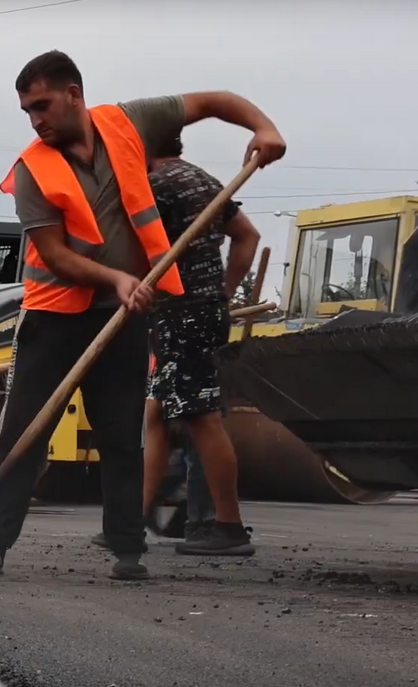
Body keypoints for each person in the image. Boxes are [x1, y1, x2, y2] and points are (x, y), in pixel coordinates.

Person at [0, 50, 284, 581]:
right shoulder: (32, 170)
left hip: (124, 316)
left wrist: (264, 127)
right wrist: (116, 278)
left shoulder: (129, 121)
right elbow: (56, 255)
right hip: (53, 318)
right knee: (23, 432)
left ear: (74, 95)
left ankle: (128, 550)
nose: (36, 120)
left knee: (120, 433)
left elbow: (214, 101)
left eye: (42, 105)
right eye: (27, 112)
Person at [141, 135, 261, 555]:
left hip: (185, 312)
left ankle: (228, 527)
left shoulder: (156, 185)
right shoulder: (202, 180)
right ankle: (133, 518)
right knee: (156, 411)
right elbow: (248, 235)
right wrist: (223, 291)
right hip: (195, 310)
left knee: (202, 419)